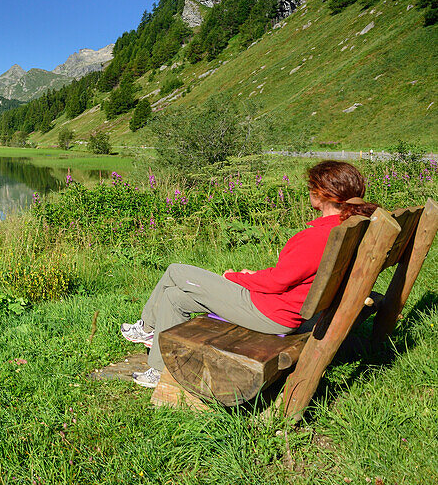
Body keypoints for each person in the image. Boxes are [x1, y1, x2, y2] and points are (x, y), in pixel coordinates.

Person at [121, 160, 379, 389]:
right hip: (290, 307)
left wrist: (236, 277)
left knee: (176, 271)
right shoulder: (347, 228)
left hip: (273, 313)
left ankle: (147, 328)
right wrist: (255, 275)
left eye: (311, 187)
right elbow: (291, 276)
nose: (308, 192)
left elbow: (279, 281)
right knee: (175, 297)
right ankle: (159, 368)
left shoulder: (317, 237)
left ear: (322, 194)